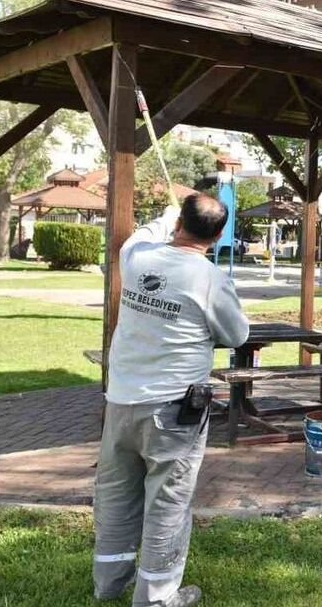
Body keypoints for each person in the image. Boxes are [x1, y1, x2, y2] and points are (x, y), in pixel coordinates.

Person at [93, 194, 250, 607]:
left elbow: (141, 234)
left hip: (121, 401)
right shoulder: (210, 279)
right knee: (168, 502)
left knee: (116, 494)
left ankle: (109, 583)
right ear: (219, 235)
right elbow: (237, 335)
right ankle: (157, 597)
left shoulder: (137, 258)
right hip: (174, 409)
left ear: (179, 222)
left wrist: (165, 216)